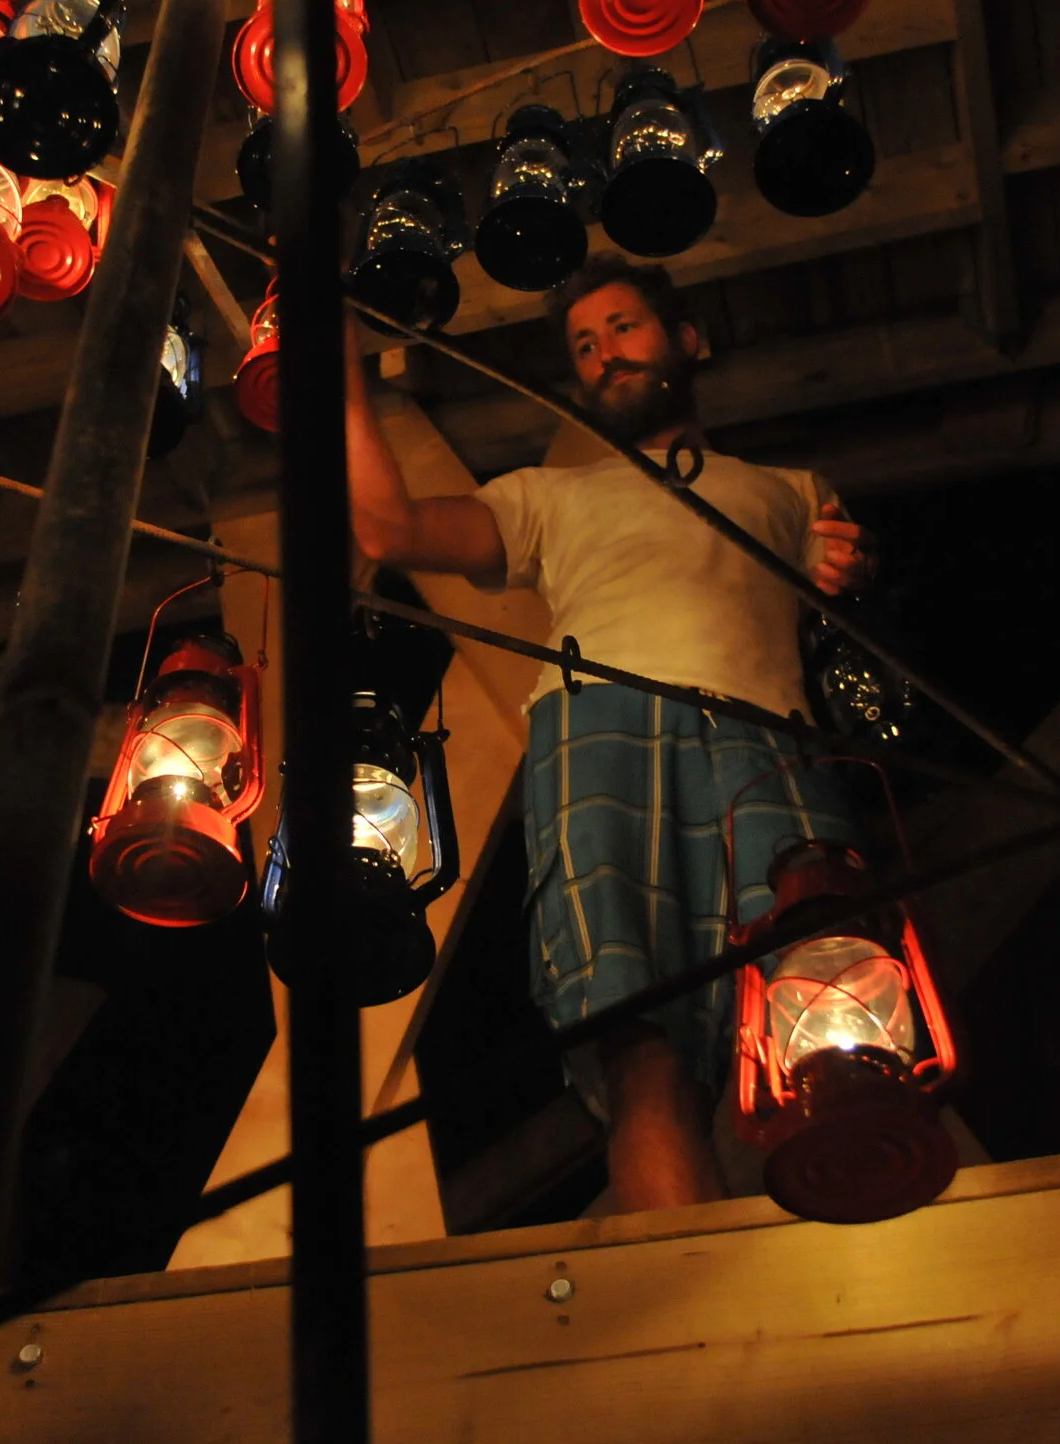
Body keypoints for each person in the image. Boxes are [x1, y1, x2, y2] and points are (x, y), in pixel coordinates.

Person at [345, 253, 875, 1213]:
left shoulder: (792, 489)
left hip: (768, 733)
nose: (603, 356)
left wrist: (842, 565)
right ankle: (696, 1319)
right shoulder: (550, 498)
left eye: (623, 329)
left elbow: (840, 578)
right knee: (641, 1040)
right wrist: (333, 369)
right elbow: (388, 530)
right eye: (584, 346)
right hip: (601, 726)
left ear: (688, 339)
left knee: (832, 999)